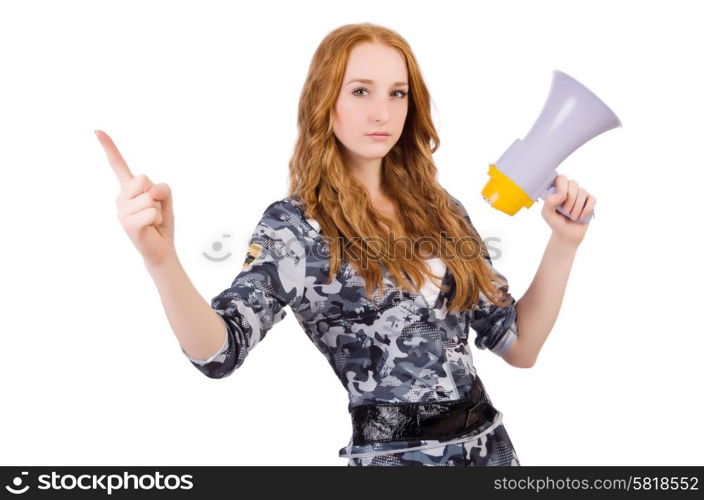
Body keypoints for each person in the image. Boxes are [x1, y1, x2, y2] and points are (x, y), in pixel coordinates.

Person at [96, 22, 596, 466]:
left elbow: (519, 344)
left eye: (397, 93)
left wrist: (565, 242)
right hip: (395, 462)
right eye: (360, 91)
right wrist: (161, 262)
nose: (382, 111)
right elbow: (219, 352)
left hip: (493, 453)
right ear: (324, 100)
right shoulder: (294, 227)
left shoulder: (441, 209)